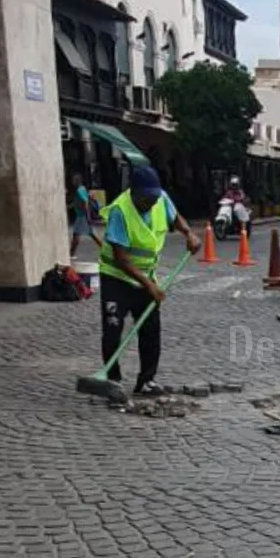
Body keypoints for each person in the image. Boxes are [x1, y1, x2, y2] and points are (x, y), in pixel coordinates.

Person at [98, 166, 201, 397]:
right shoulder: (120, 211)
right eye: (146, 199)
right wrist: (150, 286)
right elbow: (122, 259)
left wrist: (189, 234)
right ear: (133, 193)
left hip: (146, 276)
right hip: (116, 277)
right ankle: (112, 380)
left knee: (151, 329)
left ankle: (147, 380)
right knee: (113, 329)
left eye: (154, 198)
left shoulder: (160, 199)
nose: (151, 204)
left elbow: (176, 218)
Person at [69, 173, 102, 258]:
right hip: (82, 216)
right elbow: (78, 202)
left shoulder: (79, 190)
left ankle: (71, 254)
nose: (72, 181)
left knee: (78, 234)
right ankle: (71, 254)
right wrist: (69, 206)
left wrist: (88, 217)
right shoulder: (82, 188)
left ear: (78, 181)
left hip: (82, 216)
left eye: (74, 180)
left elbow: (85, 202)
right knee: (87, 234)